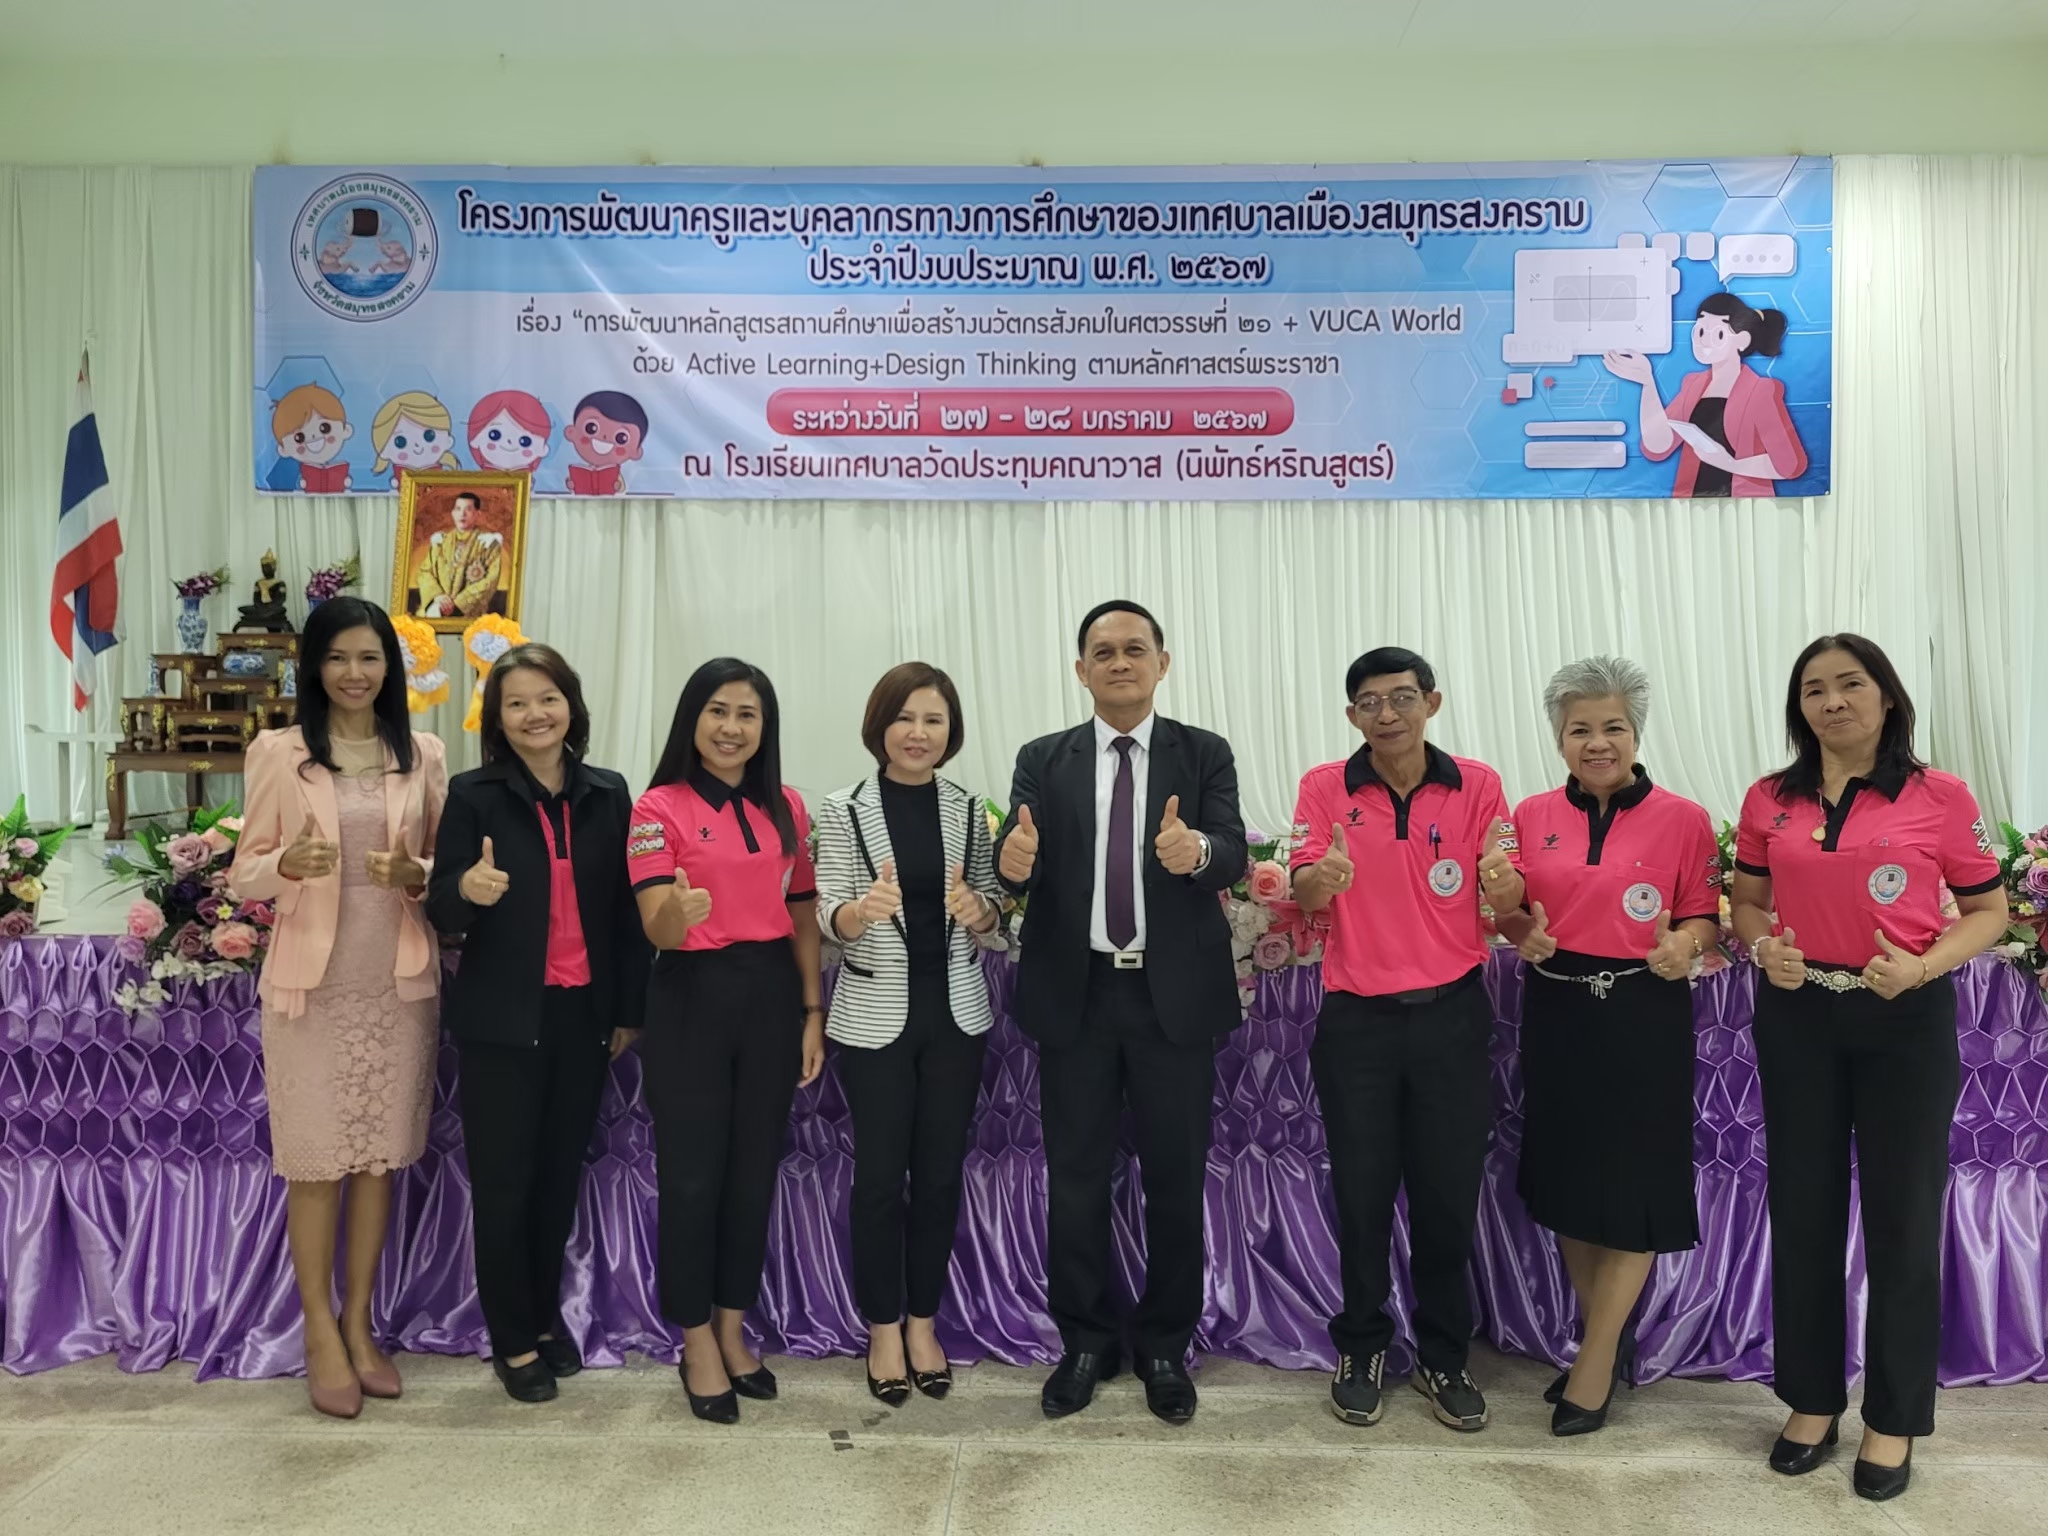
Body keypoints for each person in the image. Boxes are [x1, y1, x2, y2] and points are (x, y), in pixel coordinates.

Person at [1729, 634, 2006, 1502]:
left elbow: (1989, 910)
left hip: (1904, 1015)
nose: (1833, 701)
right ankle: (1812, 1401)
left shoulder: (1939, 795)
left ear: (1887, 696)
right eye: (1814, 689)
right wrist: (1761, 948)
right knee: (1803, 1209)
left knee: (1902, 1218)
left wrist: (1923, 967)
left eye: (1851, 684)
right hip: (1799, 1012)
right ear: (1798, 707)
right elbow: (1747, 901)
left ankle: (1893, 1416)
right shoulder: (1771, 798)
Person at [994, 601, 1247, 1426]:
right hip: (1079, 996)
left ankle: (1166, 1345)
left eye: (1135, 649)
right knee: (1075, 1181)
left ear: (1161, 663)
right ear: (1081, 671)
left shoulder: (1203, 752)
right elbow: (1016, 863)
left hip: (1172, 999)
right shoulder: (1044, 758)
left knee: (1175, 1178)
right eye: (1102, 652)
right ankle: (1086, 1342)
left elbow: (1231, 851)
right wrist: (1012, 862)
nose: (1119, 662)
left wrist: (1196, 851)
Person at [1290, 647, 1523, 1433]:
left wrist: (1505, 882)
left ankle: (1443, 1355)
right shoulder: (1326, 786)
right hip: (1357, 1022)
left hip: (1452, 1016)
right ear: (1351, 714)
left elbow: (1507, 881)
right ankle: (1361, 1346)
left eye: (1401, 697)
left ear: (1432, 701)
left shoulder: (1476, 784)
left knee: (1445, 1197)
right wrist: (1321, 879)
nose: (1386, 714)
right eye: (1369, 702)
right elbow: (1304, 886)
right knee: (1361, 1196)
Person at [228, 597, 448, 1419]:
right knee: (317, 1163)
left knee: (377, 1162)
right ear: (313, 668)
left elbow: (445, 859)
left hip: (396, 979)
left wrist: (417, 873)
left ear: (390, 667)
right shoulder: (278, 752)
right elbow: (244, 872)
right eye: (338, 658)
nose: (355, 674)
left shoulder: (422, 752)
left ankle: (360, 1324)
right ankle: (319, 1330)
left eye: (369, 658)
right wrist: (285, 862)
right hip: (310, 989)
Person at [1495, 657, 1719, 1436]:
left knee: (1632, 1188)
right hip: (1556, 1010)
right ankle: (1605, 1341)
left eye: (1612, 727)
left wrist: (1684, 945)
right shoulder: (1529, 815)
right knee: (1568, 1185)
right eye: (1580, 729)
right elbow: (1511, 912)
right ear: (1559, 739)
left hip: (1643, 1011)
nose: (1597, 743)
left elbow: (1704, 916)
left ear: (1636, 734)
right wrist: (1521, 933)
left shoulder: (1684, 818)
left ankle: (1592, 1367)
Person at [425, 644, 651, 1404]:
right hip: (501, 1022)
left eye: (547, 698)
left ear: (571, 707)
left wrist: (628, 1011)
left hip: (582, 1016)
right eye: (516, 703)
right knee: (505, 1184)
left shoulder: (608, 793)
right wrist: (468, 887)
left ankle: (546, 1315)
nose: (534, 715)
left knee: (557, 1179)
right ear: (497, 718)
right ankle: (512, 1336)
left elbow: (627, 914)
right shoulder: (473, 794)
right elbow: (442, 908)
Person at [627, 659, 825, 1423]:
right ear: (692, 718)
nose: (731, 728)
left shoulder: (788, 806)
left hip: (770, 994)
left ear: (765, 728)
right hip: (690, 993)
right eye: (717, 711)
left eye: (748, 714)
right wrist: (677, 914)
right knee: (691, 1178)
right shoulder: (657, 808)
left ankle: (734, 1328)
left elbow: (802, 913)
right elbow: (657, 927)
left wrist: (811, 1011)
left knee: (752, 1173)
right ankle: (695, 1339)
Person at [814, 663, 1007, 1404]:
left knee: (938, 1176)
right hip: (874, 1020)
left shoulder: (968, 809)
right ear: (879, 726)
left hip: (955, 1017)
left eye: (933, 720)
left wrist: (981, 910)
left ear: (950, 732)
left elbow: (990, 905)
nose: (917, 733)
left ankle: (923, 1322)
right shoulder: (844, 808)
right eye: (904, 718)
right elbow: (828, 913)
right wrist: (857, 912)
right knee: (877, 1181)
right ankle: (882, 1329)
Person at [1602, 293, 1808, 497]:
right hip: (1694, 503)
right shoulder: (1693, 385)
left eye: (1718, 334)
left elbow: (1789, 465)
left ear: (1742, 341)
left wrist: (1730, 464)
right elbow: (1658, 446)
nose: (1704, 342)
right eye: (1700, 331)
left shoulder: (1760, 390)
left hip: (1745, 503)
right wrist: (1647, 383)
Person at [414, 491, 503, 620]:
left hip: (470, 615)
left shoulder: (487, 544)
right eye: (458, 509)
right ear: (452, 513)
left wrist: (459, 604)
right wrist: (438, 596)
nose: (462, 514)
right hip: (437, 609)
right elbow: (425, 572)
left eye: (468, 509)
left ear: (478, 514)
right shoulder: (440, 542)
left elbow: (490, 580)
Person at [235, 550, 292, 633]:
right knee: (242, 608)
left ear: (273, 568)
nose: (265, 570)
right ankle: (264, 614)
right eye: (263, 568)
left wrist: (269, 607)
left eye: (268, 567)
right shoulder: (258, 583)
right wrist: (261, 607)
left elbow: (280, 599)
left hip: (273, 608)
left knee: (281, 609)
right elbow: (256, 599)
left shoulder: (279, 583)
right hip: (260, 608)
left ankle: (265, 614)